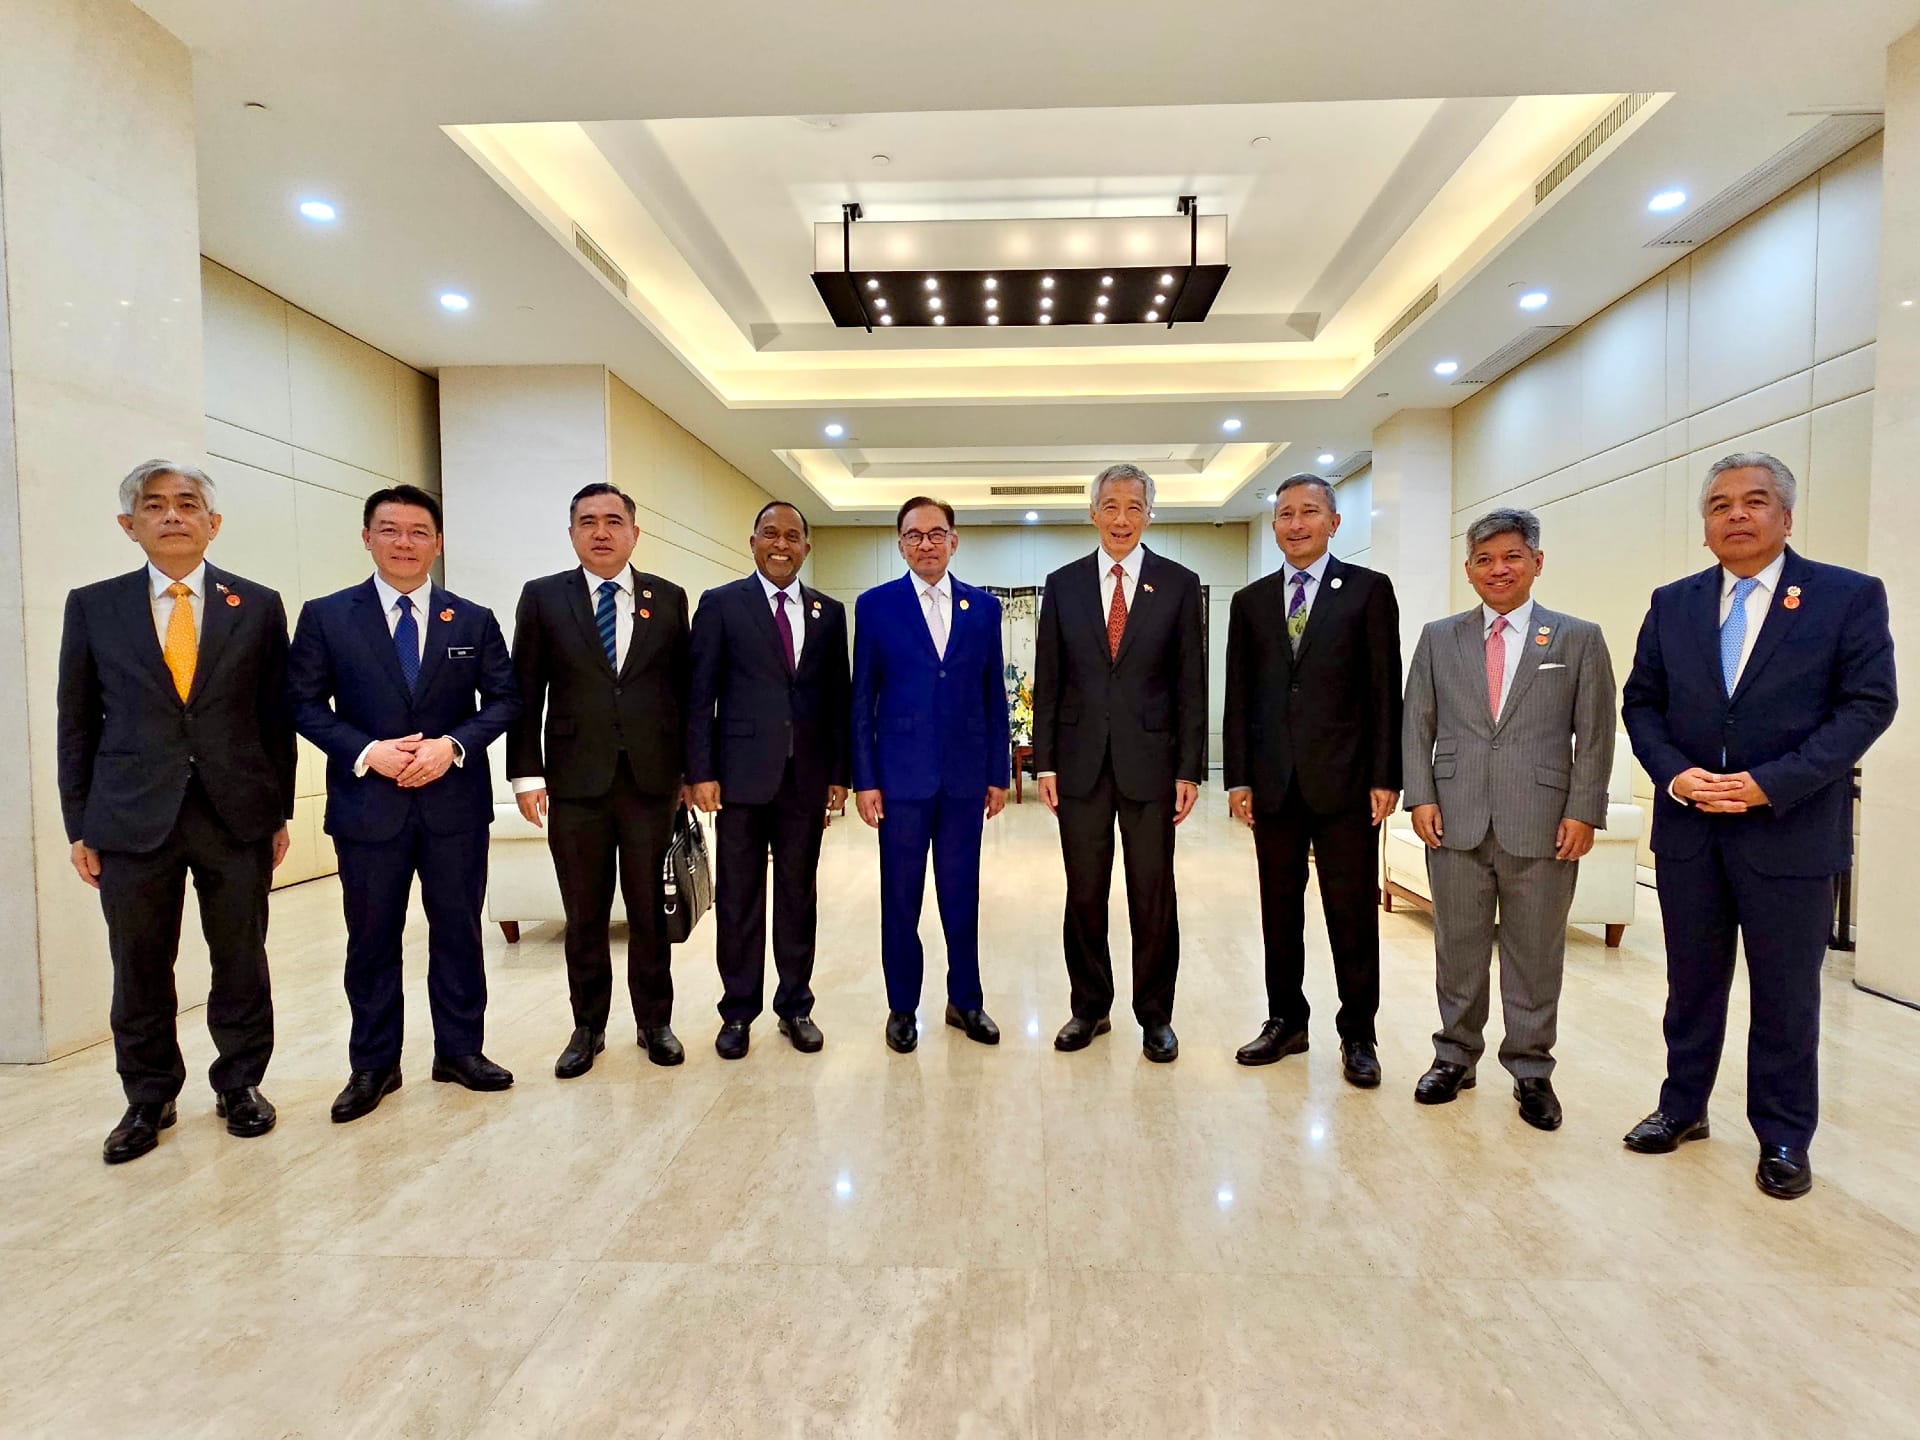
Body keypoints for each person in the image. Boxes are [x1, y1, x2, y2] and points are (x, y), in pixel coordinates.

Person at [1621, 452, 1895, 1199]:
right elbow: (1641, 702)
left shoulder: (1846, 597)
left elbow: (1868, 706)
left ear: (1786, 516)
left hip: (1791, 832)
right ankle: (1682, 1109)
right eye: (1719, 505)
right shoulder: (1673, 602)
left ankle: (1782, 1135)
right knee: (1691, 986)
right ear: (1705, 525)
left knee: (1785, 995)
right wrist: (1675, 774)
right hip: (1690, 832)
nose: (1735, 514)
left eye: (1754, 500)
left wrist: (1771, 785)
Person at [57, 460, 295, 1164]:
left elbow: (273, 718)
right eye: (153, 506)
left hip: (235, 815)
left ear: (212, 523)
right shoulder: (93, 606)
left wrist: (276, 810)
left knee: (241, 958)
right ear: (128, 526)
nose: (171, 516)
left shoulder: (254, 605)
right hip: (130, 818)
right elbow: (78, 724)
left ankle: (241, 1084)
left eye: (187, 504)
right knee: (139, 963)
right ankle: (148, 1096)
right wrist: (80, 825)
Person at [288, 484, 521, 1121]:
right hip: (369, 805)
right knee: (370, 938)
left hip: (454, 806)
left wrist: (453, 745)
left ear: (437, 543)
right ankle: (373, 1065)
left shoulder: (470, 619)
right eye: (389, 530)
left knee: (457, 931)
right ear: (367, 538)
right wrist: (368, 752)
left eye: (419, 532)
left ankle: (460, 1051)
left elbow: (504, 700)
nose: (404, 543)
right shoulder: (327, 616)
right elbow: (303, 704)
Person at [1401, 508, 1616, 1130]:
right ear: (1468, 571)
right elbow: (1418, 724)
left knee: (1535, 951)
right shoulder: (1440, 637)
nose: (1499, 569)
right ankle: (1455, 1056)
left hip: (1544, 821)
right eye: (1485, 560)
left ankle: (1530, 1069)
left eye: (1512, 557)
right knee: (1457, 946)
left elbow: (1595, 735)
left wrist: (1584, 810)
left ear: (1537, 563)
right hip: (1456, 817)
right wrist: (1422, 796)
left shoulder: (1577, 638)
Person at [506, 484, 690, 1077]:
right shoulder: (542, 598)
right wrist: (525, 775)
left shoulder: (668, 599)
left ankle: (654, 1022)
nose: (602, 532)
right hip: (574, 782)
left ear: (635, 532)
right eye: (588, 522)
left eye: (614, 521)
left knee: (647, 912)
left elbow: (681, 693)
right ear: (572, 533)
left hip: (650, 781)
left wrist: (686, 771)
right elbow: (524, 693)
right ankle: (587, 1028)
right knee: (583, 913)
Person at [1222, 473, 1401, 1085]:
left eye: (1309, 512)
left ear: (1334, 522)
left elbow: (1385, 689)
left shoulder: (1369, 591)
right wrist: (1238, 777)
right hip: (1273, 785)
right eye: (1285, 515)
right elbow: (1239, 696)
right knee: (1279, 910)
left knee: (1351, 912)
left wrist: (1386, 773)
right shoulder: (1250, 601)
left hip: (1347, 782)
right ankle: (1286, 1021)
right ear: (1273, 526)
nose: (1296, 524)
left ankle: (1359, 1034)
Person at [1033, 463, 1206, 1063]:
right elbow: (1049, 680)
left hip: (1152, 765)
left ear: (1149, 514)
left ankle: (1156, 1016)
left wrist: (1190, 769)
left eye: (1135, 506)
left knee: (1152, 893)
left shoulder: (1179, 585)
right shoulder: (1063, 584)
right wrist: (1045, 762)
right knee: (1084, 892)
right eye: (1111, 505)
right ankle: (1089, 1007)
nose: (1122, 518)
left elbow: (1191, 685)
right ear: (1093, 513)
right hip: (1078, 765)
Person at [687, 500, 849, 1059]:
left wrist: (838, 773)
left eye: (793, 536)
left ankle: (795, 1006)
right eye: (771, 534)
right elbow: (698, 694)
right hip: (739, 780)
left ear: (806, 547)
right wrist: (699, 771)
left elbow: (836, 700)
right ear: (752, 540)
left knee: (798, 897)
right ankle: (737, 1013)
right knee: (737, 898)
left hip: (805, 779)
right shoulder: (721, 605)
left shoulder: (830, 613)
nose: (782, 544)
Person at [851, 496, 1009, 1053]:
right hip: (900, 784)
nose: (926, 543)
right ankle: (902, 1007)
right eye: (914, 535)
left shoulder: (983, 610)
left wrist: (999, 773)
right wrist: (864, 780)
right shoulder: (875, 607)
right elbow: (861, 699)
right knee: (901, 900)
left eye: (936, 533)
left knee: (961, 897)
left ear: (953, 541)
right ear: (900, 543)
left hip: (966, 783)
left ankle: (965, 1001)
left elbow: (995, 697)